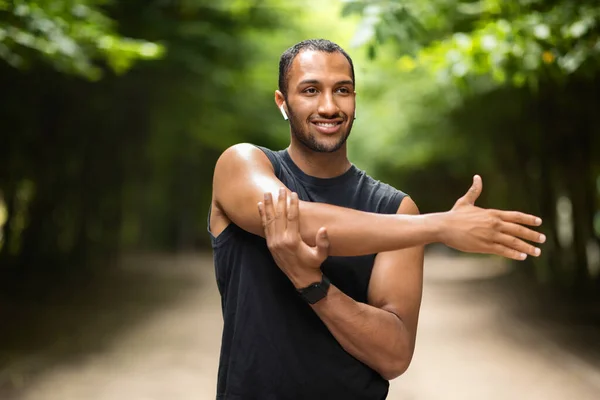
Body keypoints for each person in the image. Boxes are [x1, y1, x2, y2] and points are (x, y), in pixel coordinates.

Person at [208, 39, 545, 400]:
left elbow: (394, 355)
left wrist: (313, 285)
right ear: (282, 102)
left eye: (343, 90)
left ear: (355, 99)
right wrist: (440, 226)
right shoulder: (241, 164)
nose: (329, 105)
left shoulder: (396, 210)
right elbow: (291, 217)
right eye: (310, 90)